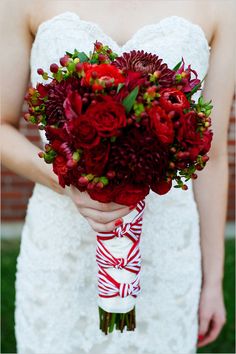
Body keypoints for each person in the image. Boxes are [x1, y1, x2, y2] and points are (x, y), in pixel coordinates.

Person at [1, 0, 234, 353]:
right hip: (62, 251)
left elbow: (212, 154)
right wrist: (67, 180)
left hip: (166, 250)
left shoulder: (223, 6)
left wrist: (213, 281)